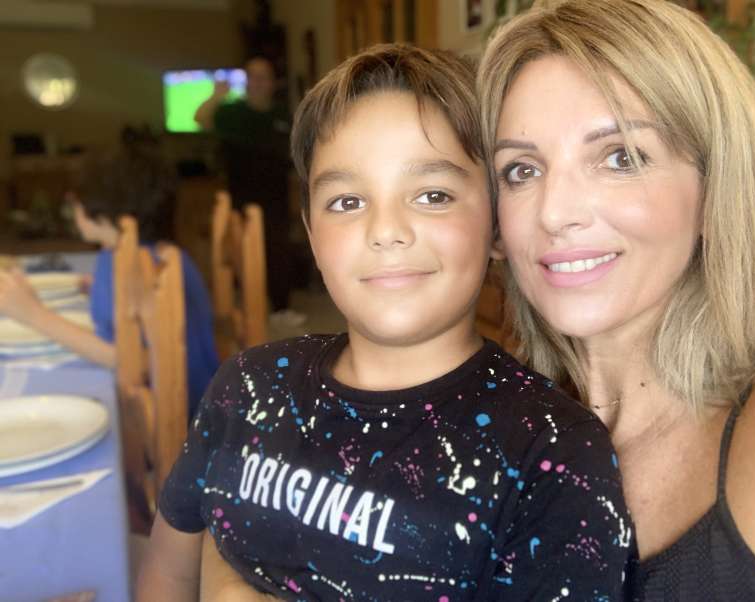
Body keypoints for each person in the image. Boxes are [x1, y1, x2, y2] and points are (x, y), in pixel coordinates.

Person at [137, 44, 635, 601]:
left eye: (432, 195)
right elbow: (169, 572)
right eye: (347, 202)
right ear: (312, 233)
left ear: (497, 225)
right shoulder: (247, 386)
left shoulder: (553, 453)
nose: (386, 231)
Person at [477, 0, 755, 599]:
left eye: (620, 157)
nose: (554, 213)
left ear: (714, 189)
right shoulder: (489, 425)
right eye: (521, 170)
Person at [0, 150, 219, 419]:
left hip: (180, 416)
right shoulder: (157, 255)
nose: (73, 204)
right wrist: (103, 289)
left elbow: (135, 362)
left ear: (105, 214)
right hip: (208, 400)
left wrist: (32, 314)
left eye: (78, 199)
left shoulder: (131, 267)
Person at [195, 56, 306, 328]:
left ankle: (281, 308)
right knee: (242, 254)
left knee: (278, 252)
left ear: (273, 82)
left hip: (277, 198)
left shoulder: (283, 114)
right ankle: (248, 308)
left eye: (263, 77)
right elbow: (200, 119)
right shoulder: (231, 112)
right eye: (252, 77)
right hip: (241, 198)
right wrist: (216, 96)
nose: (257, 82)